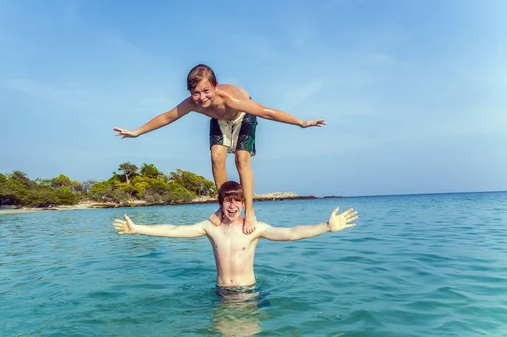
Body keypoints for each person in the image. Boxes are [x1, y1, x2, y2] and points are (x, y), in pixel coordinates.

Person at [113, 64, 326, 235]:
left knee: (241, 158)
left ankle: (250, 210)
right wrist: (137, 132)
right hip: (219, 120)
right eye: (196, 93)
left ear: (215, 86)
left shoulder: (231, 99)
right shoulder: (193, 103)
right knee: (216, 157)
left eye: (206, 90)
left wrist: (301, 122)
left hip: (242, 116)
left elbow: (265, 112)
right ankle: (222, 204)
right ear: (190, 92)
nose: (202, 97)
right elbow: (168, 117)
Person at [113, 181, 357, 289]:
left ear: (242, 204)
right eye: (227, 201)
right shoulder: (210, 228)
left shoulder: (253, 229)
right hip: (220, 293)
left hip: (247, 293)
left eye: (236, 202)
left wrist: (326, 226)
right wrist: (138, 229)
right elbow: (174, 230)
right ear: (220, 203)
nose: (232, 206)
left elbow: (290, 233)